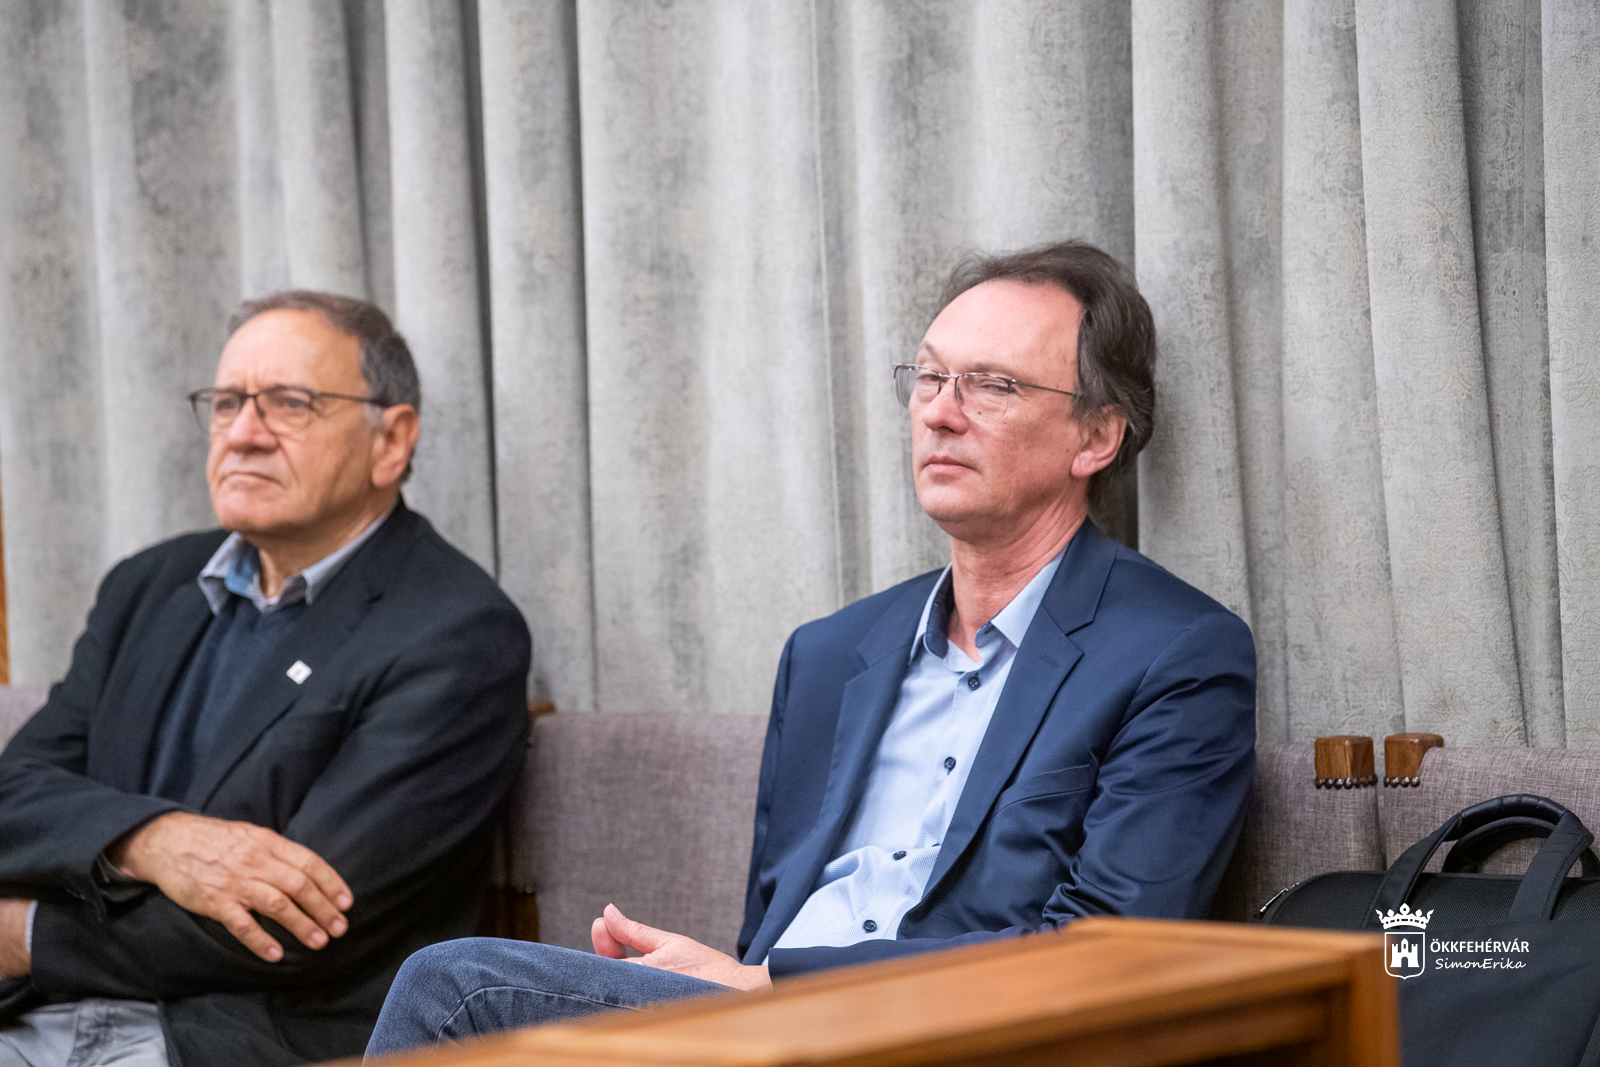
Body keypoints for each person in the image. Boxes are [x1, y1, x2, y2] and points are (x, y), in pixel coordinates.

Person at [364, 240, 1257, 1056]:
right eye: (929, 377)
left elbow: (1109, 953)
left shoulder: (1176, 652)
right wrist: (728, 980)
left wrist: (773, 983)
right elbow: (767, 929)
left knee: (460, 989)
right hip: (770, 1032)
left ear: (1097, 436)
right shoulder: (830, 654)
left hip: (959, 1042)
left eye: (993, 386)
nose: (940, 414)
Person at [0, 292, 531, 1066]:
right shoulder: (146, 586)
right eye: (226, 403)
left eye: (290, 403)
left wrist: (23, 934)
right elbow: (13, 797)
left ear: (391, 440)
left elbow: (300, 922)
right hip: (40, 1014)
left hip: (227, 1041)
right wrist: (149, 839)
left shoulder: (455, 632)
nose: (244, 433)